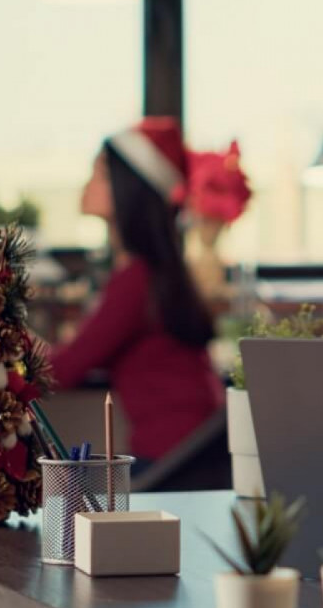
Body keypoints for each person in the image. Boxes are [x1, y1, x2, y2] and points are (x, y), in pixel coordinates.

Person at [49, 118, 223, 468]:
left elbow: (59, 371)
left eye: (98, 173)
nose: (86, 185)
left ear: (125, 188)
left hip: (173, 461)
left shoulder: (135, 278)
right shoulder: (151, 272)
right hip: (195, 451)